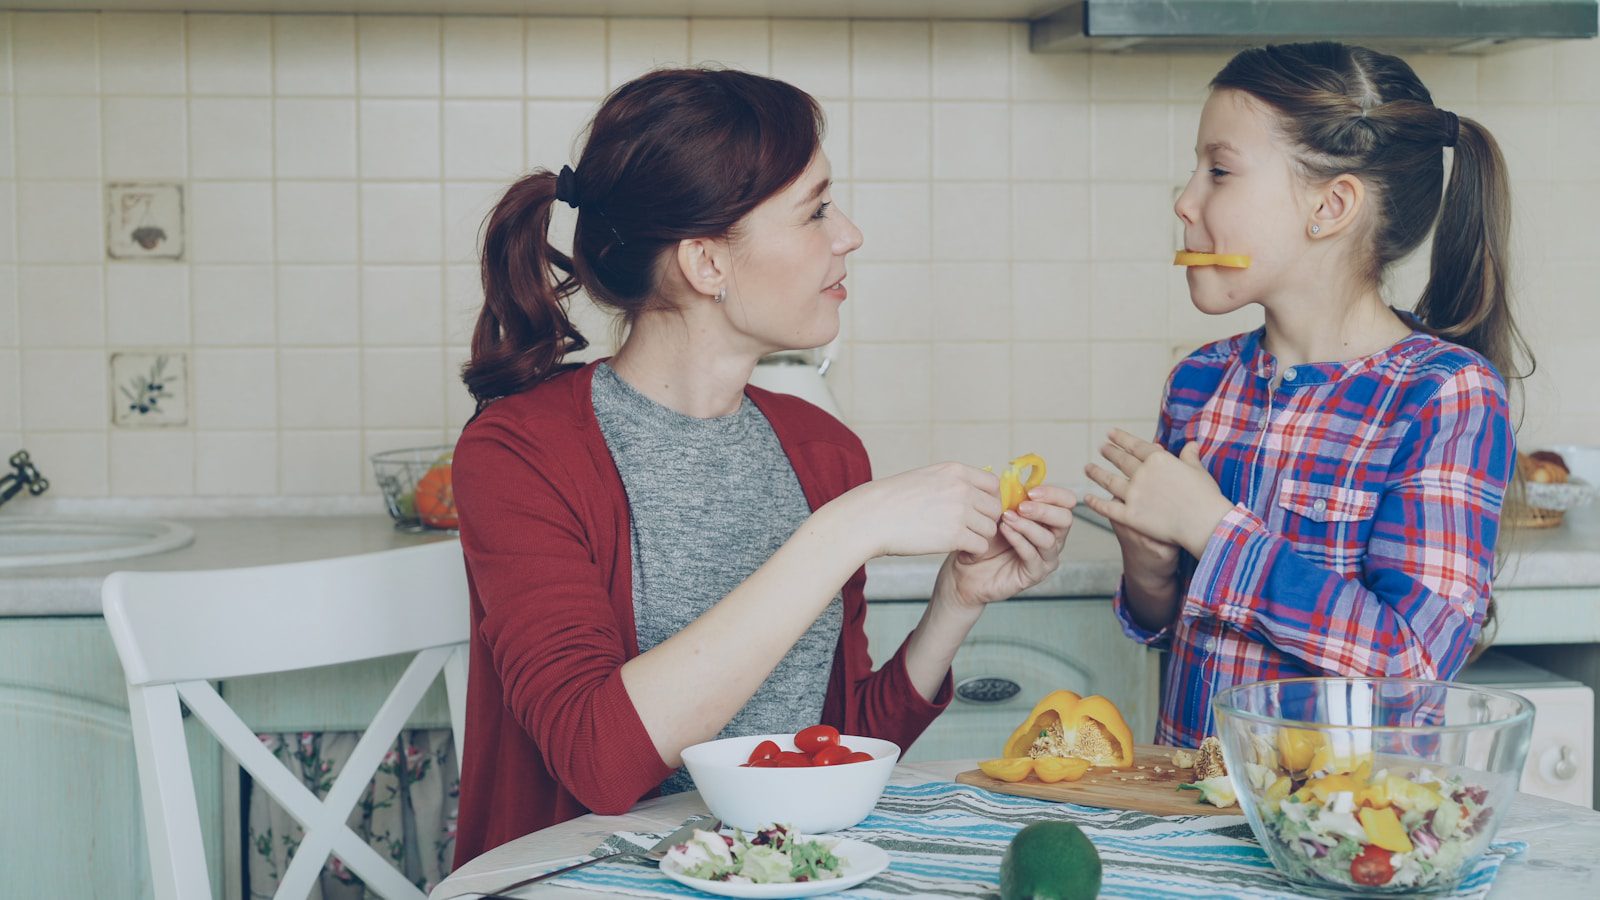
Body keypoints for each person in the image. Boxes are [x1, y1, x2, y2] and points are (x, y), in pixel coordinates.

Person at [450, 67, 1078, 863]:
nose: (848, 234)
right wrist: (842, 533)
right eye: (815, 211)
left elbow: (836, 748)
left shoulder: (822, 449)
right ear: (706, 264)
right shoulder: (520, 454)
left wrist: (954, 604)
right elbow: (595, 760)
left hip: (784, 874)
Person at [1083, 42, 1528, 748]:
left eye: (1219, 172)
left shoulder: (1444, 396)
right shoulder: (1199, 381)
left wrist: (1212, 531)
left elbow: (1411, 661)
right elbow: (1166, 625)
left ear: (1332, 205)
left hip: (1345, 836)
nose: (1185, 201)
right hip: (1191, 817)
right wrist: (1150, 565)